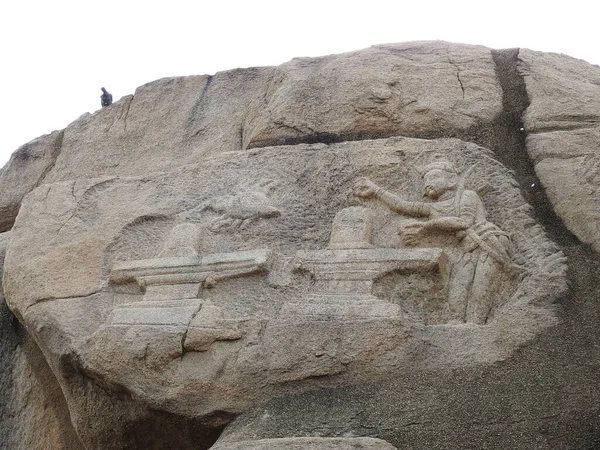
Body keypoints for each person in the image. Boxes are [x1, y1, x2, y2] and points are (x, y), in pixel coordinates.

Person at [355, 160, 515, 324]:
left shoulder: (467, 196)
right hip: (467, 250)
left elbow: (464, 223)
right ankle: (458, 325)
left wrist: (426, 226)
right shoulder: (433, 208)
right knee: (456, 293)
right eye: (425, 180)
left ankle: (476, 325)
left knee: (480, 290)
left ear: (452, 180)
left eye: (434, 177)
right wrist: (376, 190)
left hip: (487, 243)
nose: (427, 183)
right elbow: (403, 206)